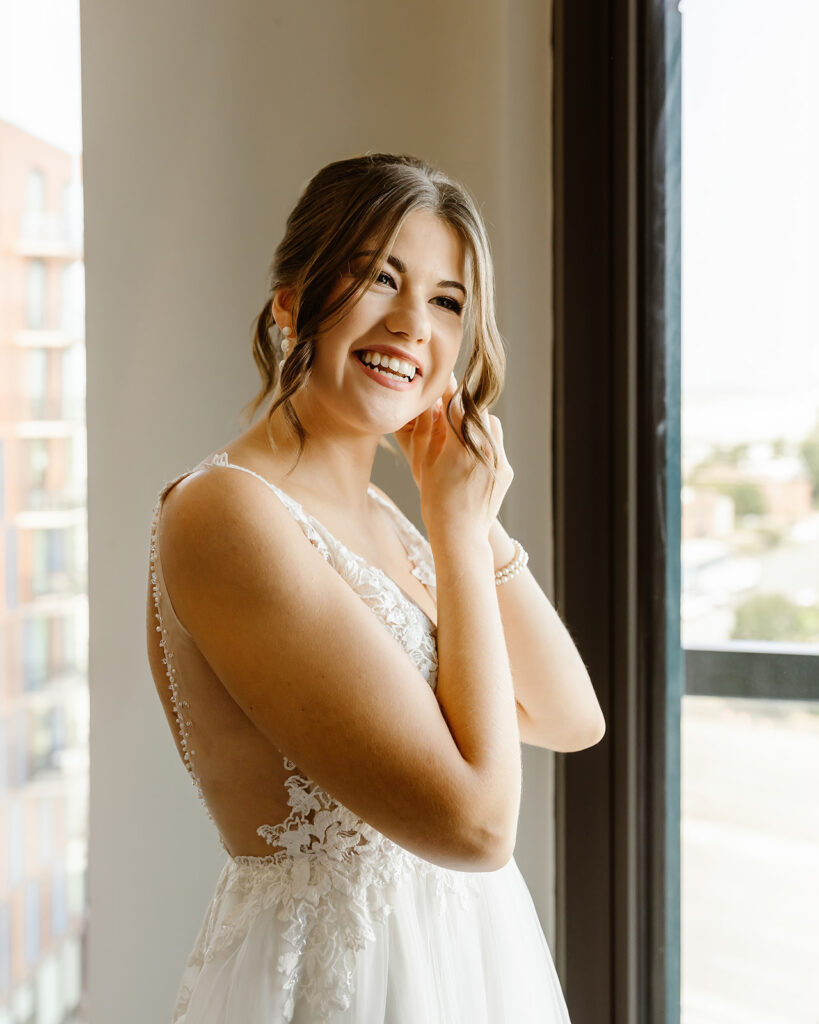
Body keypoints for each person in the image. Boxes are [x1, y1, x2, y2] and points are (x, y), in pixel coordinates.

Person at [146, 152, 603, 1023]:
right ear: (291, 303)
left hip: (462, 966)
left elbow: (570, 716)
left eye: (445, 302)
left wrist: (462, 513)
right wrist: (458, 537)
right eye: (375, 279)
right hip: (347, 981)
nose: (410, 325)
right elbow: (476, 828)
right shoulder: (228, 514)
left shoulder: (398, 517)